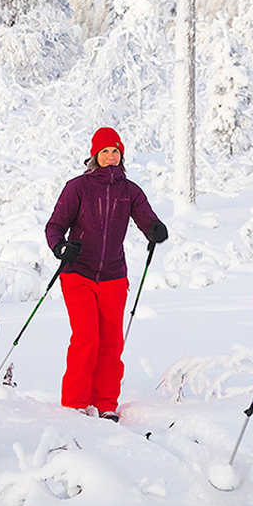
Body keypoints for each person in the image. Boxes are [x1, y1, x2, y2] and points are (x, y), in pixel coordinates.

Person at [44, 127, 167, 421]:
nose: (111, 157)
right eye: (105, 152)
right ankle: (75, 403)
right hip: (78, 273)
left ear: (121, 156)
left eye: (115, 152)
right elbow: (54, 227)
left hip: (113, 275)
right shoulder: (78, 188)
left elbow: (147, 219)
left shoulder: (130, 191)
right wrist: (61, 247)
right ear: (95, 156)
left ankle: (105, 403)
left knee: (112, 341)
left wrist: (155, 229)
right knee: (87, 337)